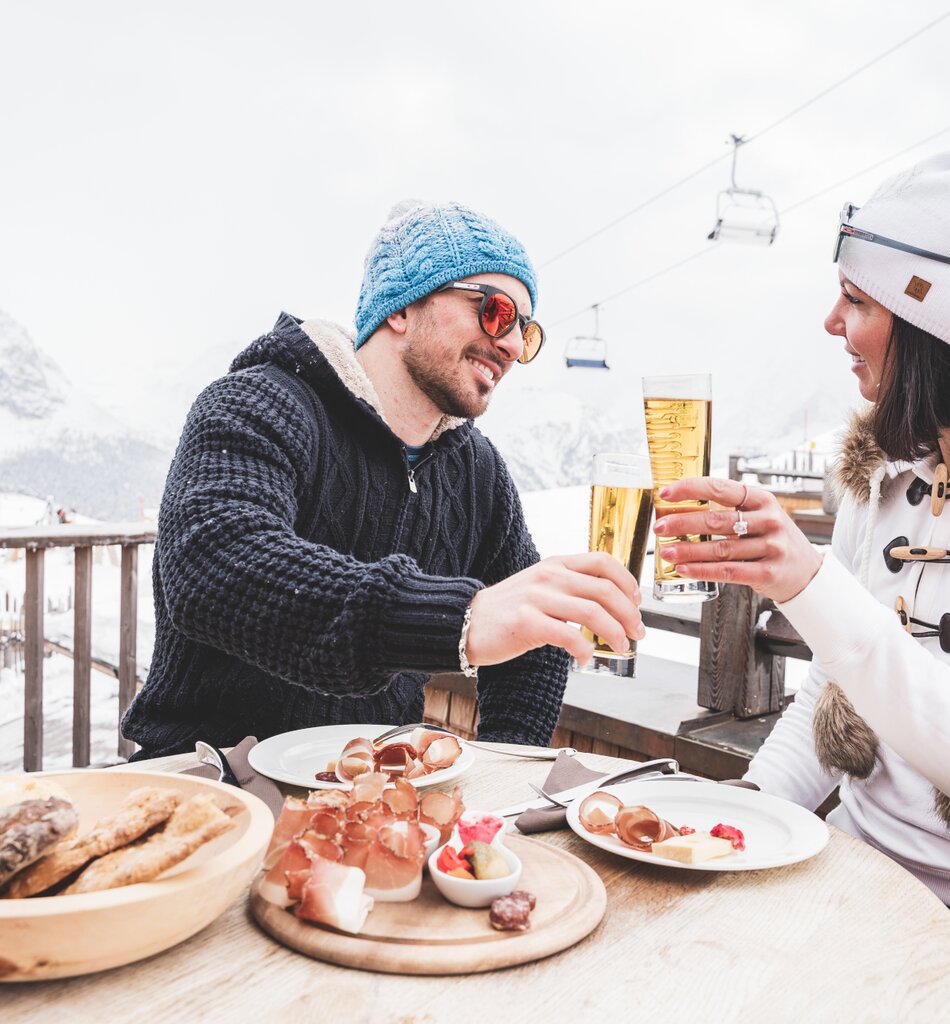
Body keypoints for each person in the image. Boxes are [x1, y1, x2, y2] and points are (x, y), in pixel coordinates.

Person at [655, 88, 950, 1020]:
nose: (831, 325)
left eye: (857, 300)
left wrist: (812, 584)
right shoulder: (885, 476)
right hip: (857, 868)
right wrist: (735, 822)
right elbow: (833, 696)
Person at [121, 200, 644, 758]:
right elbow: (212, 564)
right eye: (495, 312)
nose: (513, 345)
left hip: (371, 796)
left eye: (525, 330)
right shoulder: (257, 403)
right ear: (402, 309)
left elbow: (533, 638)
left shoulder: (477, 473)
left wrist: (506, 767)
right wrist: (458, 619)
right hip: (215, 788)